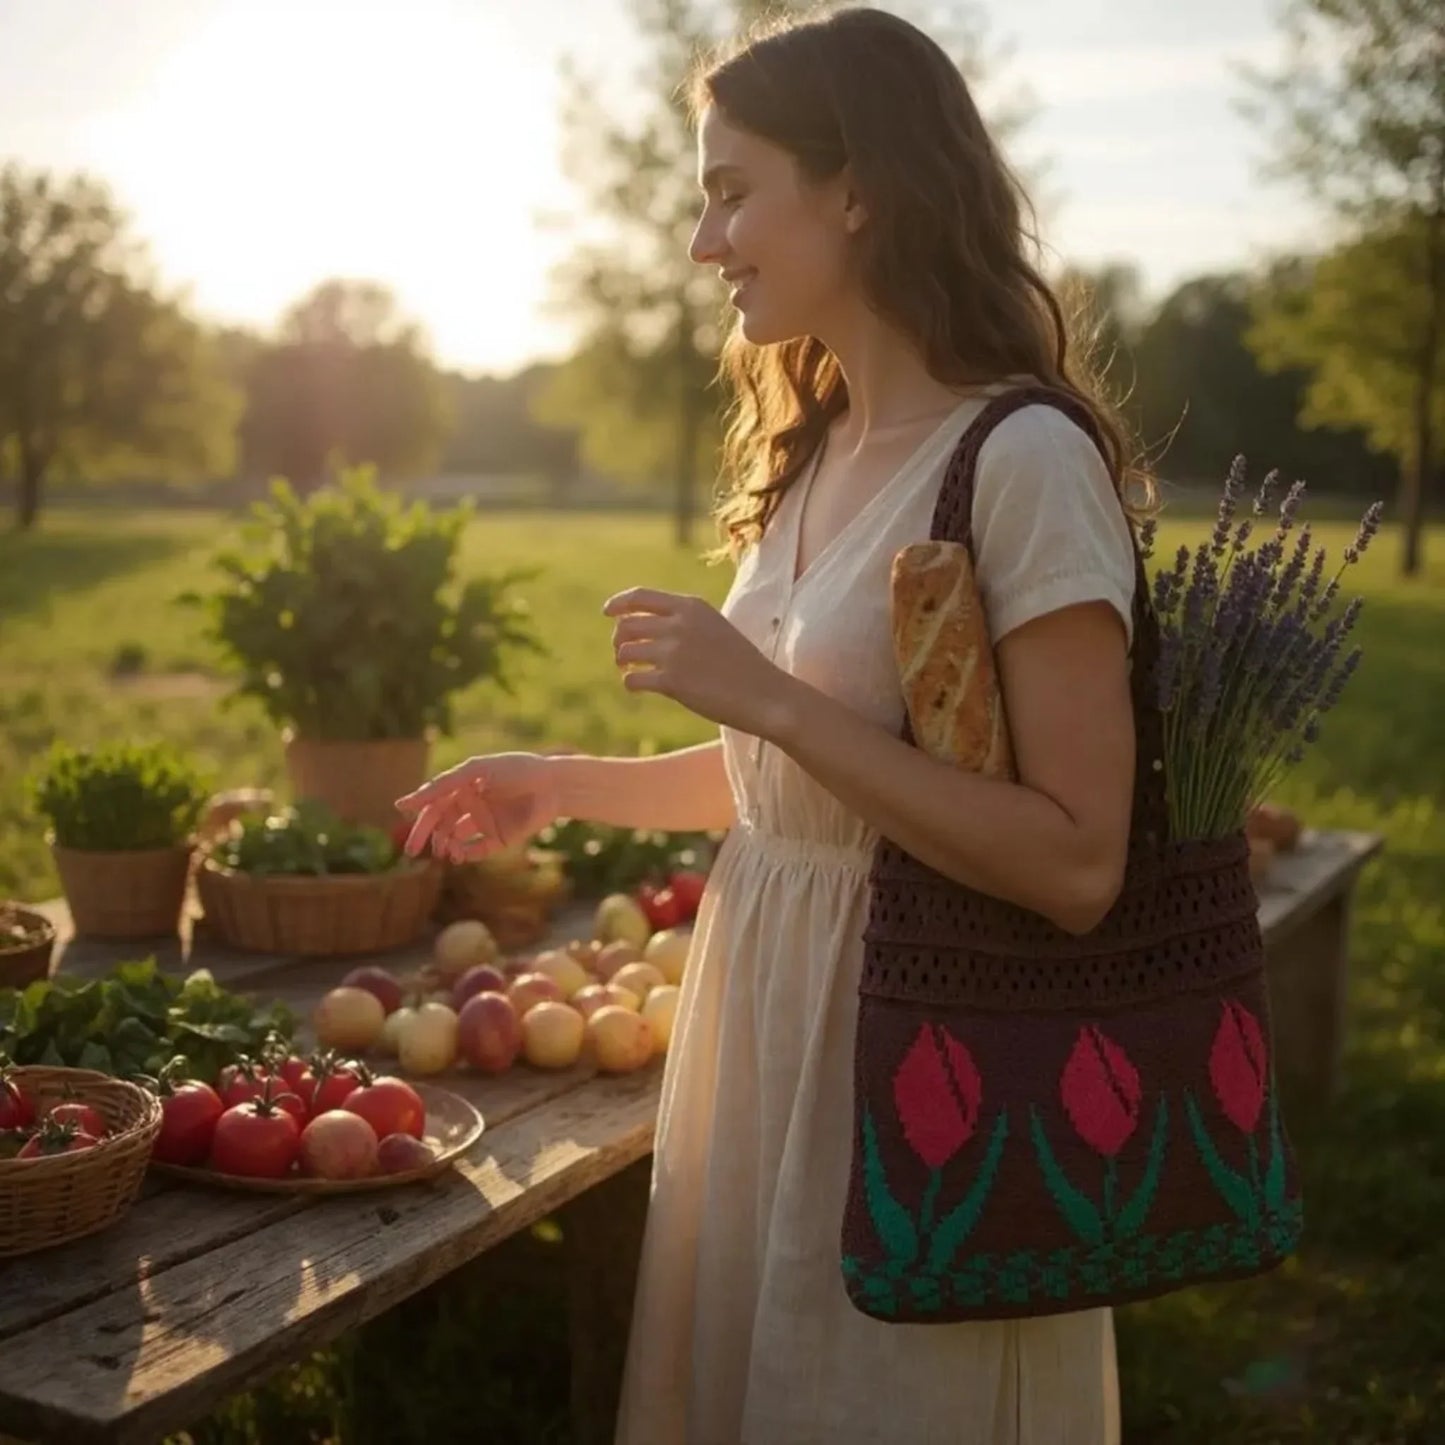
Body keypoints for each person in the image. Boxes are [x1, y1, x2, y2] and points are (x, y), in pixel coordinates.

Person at [396, 7, 1152, 1441]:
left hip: (923, 1058)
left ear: (857, 187)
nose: (702, 242)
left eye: (731, 190)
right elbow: (797, 794)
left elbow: (1074, 861)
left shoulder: (1021, 459)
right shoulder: (813, 456)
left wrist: (761, 694)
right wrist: (555, 782)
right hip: (765, 1038)